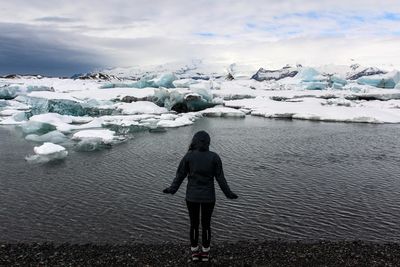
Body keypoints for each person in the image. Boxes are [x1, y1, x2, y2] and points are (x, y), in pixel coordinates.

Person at [163, 130, 238, 262]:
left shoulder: (188, 156)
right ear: (208, 142)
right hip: (209, 198)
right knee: (206, 224)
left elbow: (180, 176)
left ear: (194, 141)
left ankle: (194, 252)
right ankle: (205, 253)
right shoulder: (214, 157)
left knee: (194, 224)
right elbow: (221, 179)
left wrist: (172, 189)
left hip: (192, 197)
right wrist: (229, 194)